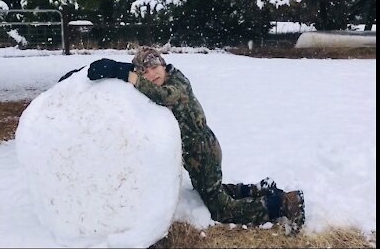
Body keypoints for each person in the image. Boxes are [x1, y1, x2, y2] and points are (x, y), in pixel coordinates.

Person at [58, 47, 305, 233]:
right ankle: (259, 189)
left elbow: (163, 96)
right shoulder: (159, 78)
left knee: (220, 209)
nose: (151, 74)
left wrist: (129, 75)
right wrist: (80, 78)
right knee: (211, 191)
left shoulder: (177, 83)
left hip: (203, 151)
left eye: (155, 67)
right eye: (144, 71)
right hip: (194, 154)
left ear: (164, 65)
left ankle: (283, 204)